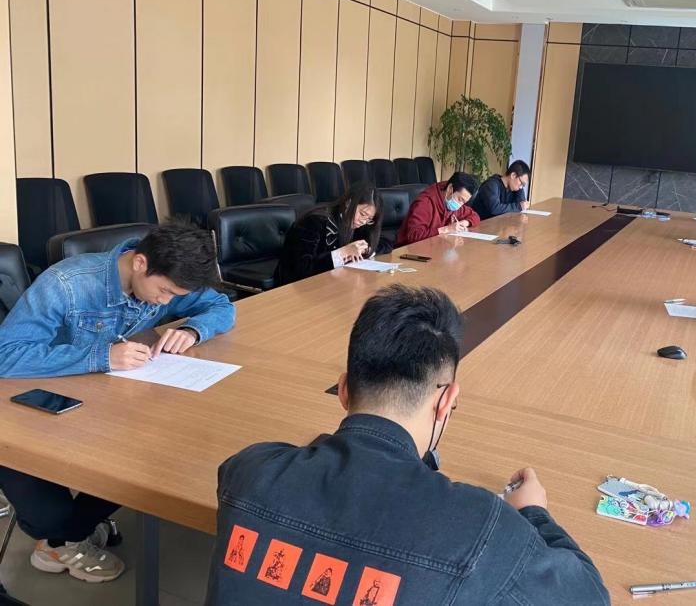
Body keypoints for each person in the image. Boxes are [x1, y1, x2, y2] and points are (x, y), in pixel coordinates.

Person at [206, 285, 609, 605]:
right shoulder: (479, 526)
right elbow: (589, 597)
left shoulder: (249, 469)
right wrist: (534, 513)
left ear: (343, 389)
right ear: (446, 401)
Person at [0, 222, 235, 583]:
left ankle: (69, 535)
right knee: (55, 517)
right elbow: (6, 356)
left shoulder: (167, 277)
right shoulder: (66, 284)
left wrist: (192, 330)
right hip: (31, 412)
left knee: (160, 459)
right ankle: (60, 540)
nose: (166, 302)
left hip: (98, 404)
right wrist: (102, 356)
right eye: (165, 292)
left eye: (176, 296)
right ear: (140, 263)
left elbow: (220, 305)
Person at [276, 181, 385, 285]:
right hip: (295, 286)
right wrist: (343, 252)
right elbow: (303, 268)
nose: (363, 221)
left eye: (369, 219)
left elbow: (385, 242)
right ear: (349, 202)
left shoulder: (358, 222)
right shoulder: (314, 221)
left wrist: (366, 249)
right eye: (363, 214)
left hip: (330, 282)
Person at [395, 171, 481, 247]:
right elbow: (414, 236)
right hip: (408, 250)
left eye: (464, 202)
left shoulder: (452, 201)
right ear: (450, 189)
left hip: (436, 246)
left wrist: (463, 223)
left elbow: (475, 216)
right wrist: (447, 229)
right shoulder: (425, 202)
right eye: (460, 199)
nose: (460, 205)